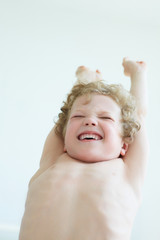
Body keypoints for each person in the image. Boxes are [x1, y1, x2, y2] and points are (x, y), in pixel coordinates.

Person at [19, 57, 149, 240]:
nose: (90, 120)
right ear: (63, 141)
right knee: (71, 110)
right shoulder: (53, 161)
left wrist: (137, 75)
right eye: (79, 116)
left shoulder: (127, 173)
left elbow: (138, 117)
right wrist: (83, 84)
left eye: (106, 118)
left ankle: (91, 79)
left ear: (125, 144)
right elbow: (64, 118)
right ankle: (86, 79)